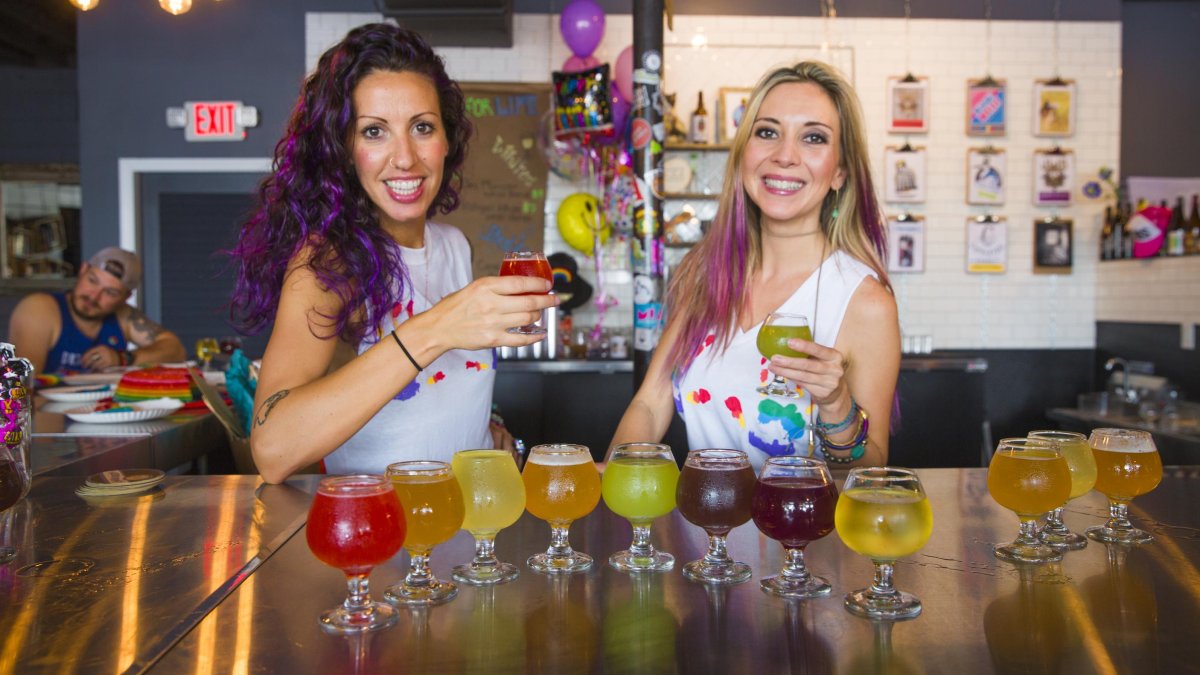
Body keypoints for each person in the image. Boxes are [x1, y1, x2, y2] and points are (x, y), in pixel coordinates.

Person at [229, 24, 556, 483]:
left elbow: (439, 392)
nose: (404, 157)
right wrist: (437, 328)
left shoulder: (452, 245)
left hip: (471, 525)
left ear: (447, 141)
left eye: (422, 127)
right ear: (343, 150)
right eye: (374, 131)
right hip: (383, 536)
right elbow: (273, 449)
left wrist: (488, 422)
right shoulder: (328, 262)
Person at [610, 61, 901, 469]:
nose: (785, 156)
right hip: (704, 524)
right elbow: (649, 405)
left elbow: (871, 471)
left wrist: (836, 406)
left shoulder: (865, 302)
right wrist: (617, 490)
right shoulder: (703, 272)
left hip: (804, 533)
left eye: (813, 138)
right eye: (767, 132)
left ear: (839, 172)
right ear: (744, 152)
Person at [7, 246, 186, 374]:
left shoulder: (123, 315)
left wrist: (123, 358)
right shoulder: (40, 309)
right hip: (48, 421)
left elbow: (175, 349)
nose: (94, 296)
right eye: (92, 281)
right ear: (83, 269)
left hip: (105, 417)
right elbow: (22, 384)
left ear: (126, 297)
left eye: (110, 292)